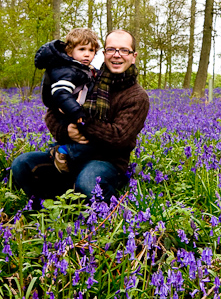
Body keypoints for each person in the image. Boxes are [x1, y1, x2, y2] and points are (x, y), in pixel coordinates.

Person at [12, 29, 150, 205]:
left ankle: (97, 194)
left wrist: (81, 121)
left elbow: (118, 137)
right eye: (111, 50)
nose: (117, 55)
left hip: (107, 160)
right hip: (69, 153)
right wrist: (67, 130)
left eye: (124, 50)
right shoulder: (86, 77)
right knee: (22, 165)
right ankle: (51, 206)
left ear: (133, 56)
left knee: (88, 183)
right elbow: (52, 112)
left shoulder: (137, 96)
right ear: (104, 53)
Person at [35, 28, 99, 173]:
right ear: (70, 51)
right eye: (82, 49)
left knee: (89, 144)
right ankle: (62, 151)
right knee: (89, 145)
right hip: (68, 115)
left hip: (73, 114)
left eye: (91, 50)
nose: (87, 54)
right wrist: (76, 111)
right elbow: (61, 93)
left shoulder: (84, 69)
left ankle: (65, 156)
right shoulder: (66, 70)